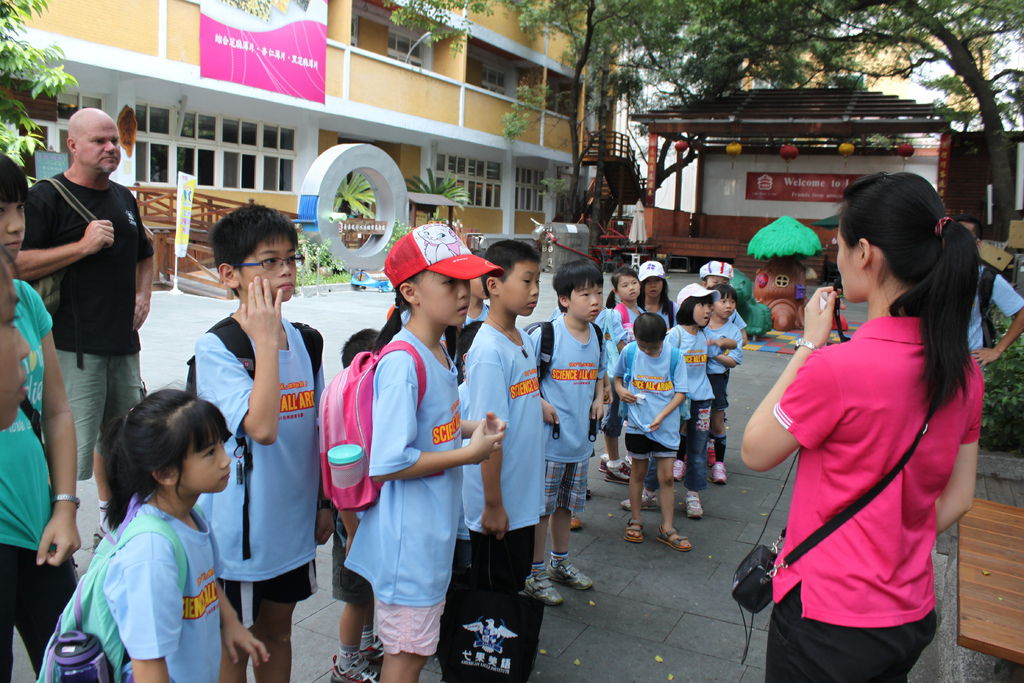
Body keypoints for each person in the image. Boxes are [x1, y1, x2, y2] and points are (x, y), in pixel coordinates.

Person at [742, 172, 983, 682]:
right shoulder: (964, 370)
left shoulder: (838, 368)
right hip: (909, 612)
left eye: (840, 244)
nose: (838, 255)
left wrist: (809, 344)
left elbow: (756, 450)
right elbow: (959, 498)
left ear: (866, 254)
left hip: (827, 616)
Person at [344, 223, 506, 683]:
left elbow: (434, 428)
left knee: (414, 650)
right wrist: (469, 454)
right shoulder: (403, 361)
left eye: (465, 280)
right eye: (449, 282)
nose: (464, 292)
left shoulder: (437, 350)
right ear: (410, 292)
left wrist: (474, 429)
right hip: (408, 545)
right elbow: (389, 462)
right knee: (407, 657)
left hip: (428, 535)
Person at [194, 205, 329, 683]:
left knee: (278, 635)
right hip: (243, 537)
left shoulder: (307, 341)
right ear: (229, 274)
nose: (286, 270)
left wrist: (324, 503)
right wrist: (266, 342)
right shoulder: (219, 347)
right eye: (270, 261)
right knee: (236, 644)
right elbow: (263, 427)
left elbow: (318, 430)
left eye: (291, 258)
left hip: (293, 527)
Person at [19, 108, 153, 540]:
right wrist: (81, 246)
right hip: (71, 348)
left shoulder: (124, 197)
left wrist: (144, 293)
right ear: (73, 145)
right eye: (100, 141)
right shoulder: (46, 198)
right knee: (67, 453)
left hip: (123, 346)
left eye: (114, 140)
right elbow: (15, 263)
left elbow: (146, 252)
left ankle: (110, 524)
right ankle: (47, 534)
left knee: (120, 443)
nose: (111, 148)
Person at [102, 389, 268, 682]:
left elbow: (207, 580)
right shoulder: (152, 554)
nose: (225, 460)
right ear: (165, 473)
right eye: (209, 453)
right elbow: (149, 664)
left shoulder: (192, 515)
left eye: (221, 444)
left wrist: (231, 622)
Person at [0, 156, 81, 681]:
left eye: (20, 208)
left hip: (41, 527)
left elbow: (56, 410)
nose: (15, 226)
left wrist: (65, 507)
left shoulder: (25, 296)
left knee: (73, 660)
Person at [462, 240, 544, 596]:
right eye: (527, 281)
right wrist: (493, 505)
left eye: (538, 281)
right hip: (499, 501)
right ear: (493, 285)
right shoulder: (488, 351)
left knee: (512, 585)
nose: (535, 290)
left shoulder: (522, 339)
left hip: (520, 493)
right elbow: (489, 434)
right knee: (494, 596)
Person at [523, 259, 605, 606]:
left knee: (565, 508)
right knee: (541, 510)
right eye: (585, 294)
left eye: (598, 292)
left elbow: (599, 373)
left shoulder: (597, 334)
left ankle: (559, 563)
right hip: (548, 443)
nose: (595, 301)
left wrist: (599, 398)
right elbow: (524, 380)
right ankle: (534, 572)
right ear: (564, 299)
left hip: (579, 442)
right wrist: (541, 402)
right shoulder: (546, 335)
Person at [330, 328, 383, 683]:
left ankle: (365, 642)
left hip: (364, 521)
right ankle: (346, 663)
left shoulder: (364, 409)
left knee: (366, 589)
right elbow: (343, 489)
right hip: (353, 524)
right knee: (355, 595)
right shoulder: (347, 417)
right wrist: (352, 532)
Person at [615, 313, 689, 550]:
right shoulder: (630, 351)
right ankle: (635, 520)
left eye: (653, 347)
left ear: (663, 339)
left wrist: (661, 416)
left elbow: (681, 392)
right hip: (637, 424)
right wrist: (620, 391)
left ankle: (667, 527)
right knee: (637, 472)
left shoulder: (675, 356)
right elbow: (617, 378)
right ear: (635, 338)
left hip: (665, 425)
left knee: (666, 477)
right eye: (643, 346)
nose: (647, 351)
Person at [666, 284, 725, 519]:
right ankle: (650, 490)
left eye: (711, 306)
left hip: (702, 401)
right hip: (676, 401)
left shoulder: (705, 335)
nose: (709, 310)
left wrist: (726, 346)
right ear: (688, 305)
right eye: (703, 305)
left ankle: (693, 495)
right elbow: (664, 366)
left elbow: (723, 349)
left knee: (698, 449)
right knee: (664, 447)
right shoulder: (675, 335)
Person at [952, 214, 1024, 366]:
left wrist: (997, 350)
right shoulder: (930, 274)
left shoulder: (986, 278)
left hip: (969, 364)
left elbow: (1022, 312)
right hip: (932, 362)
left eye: (965, 237)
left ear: (977, 244)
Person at [597, 266, 641, 484]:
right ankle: (613, 461)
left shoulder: (640, 311)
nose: (631, 288)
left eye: (634, 283)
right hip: (619, 373)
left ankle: (614, 458)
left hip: (631, 373)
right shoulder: (617, 312)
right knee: (615, 416)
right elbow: (619, 344)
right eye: (625, 285)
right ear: (615, 291)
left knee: (625, 416)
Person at [705, 283, 744, 484]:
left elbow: (733, 361)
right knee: (688, 420)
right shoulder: (701, 324)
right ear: (711, 304)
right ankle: (681, 459)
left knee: (717, 420)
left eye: (732, 302)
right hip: (694, 376)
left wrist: (714, 354)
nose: (729, 306)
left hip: (716, 379)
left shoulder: (733, 332)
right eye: (723, 301)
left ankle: (719, 464)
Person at [696, 261, 748, 345]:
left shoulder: (731, 312)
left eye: (724, 283)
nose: (720, 287)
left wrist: (727, 344)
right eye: (715, 282)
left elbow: (744, 339)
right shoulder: (697, 308)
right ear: (704, 284)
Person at [637, 260, 676, 326]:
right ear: (641, 284)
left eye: (657, 280)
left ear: (663, 282)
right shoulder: (633, 308)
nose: (653, 285)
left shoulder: (673, 309)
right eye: (648, 281)